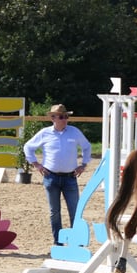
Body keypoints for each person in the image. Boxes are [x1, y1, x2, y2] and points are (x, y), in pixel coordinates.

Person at [23, 103, 92, 246]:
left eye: (66, 116)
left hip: (70, 177)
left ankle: (76, 241)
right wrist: (36, 164)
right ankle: (58, 241)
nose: (65, 119)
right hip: (51, 177)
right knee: (54, 212)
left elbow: (87, 147)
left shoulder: (74, 132)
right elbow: (28, 147)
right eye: (62, 116)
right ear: (53, 118)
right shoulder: (44, 133)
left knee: (75, 211)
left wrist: (83, 165)